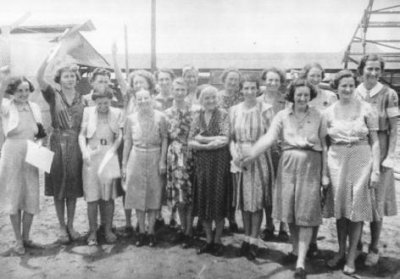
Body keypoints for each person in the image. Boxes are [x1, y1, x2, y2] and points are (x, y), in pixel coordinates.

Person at [242, 78, 328, 279]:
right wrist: (251, 156)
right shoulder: (282, 115)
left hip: (310, 165)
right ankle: (295, 250)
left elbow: (324, 146)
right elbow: (269, 138)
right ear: (292, 96)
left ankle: (300, 263)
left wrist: (324, 175)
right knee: (290, 210)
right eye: (299, 94)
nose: (303, 98)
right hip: (288, 164)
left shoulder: (319, 115)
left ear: (311, 96)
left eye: (306, 95)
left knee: (305, 213)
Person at [324, 70, 380, 275]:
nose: (347, 89)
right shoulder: (328, 112)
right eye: (343, 86)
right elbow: (324, 143)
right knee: (340, 209)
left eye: (350, 85)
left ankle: (351, 256)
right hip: (336, 159)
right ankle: (340, 251)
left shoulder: (367, 109)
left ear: (354, 86)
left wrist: (375, 171)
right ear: (336, 88)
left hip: (361, 157)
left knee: (356, 209)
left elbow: (375, 141)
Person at [355, 54, 399, 266]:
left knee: (376, 202)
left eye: (377, 70)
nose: (373, 73)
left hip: (379, 148)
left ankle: (374, 248)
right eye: (369, 69)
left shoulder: (389, 94)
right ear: (361, 70)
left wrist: (390, 156)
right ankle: (355, 246)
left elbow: (394, 128)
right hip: (357, 148)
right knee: (356, 198)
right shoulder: (354, 92)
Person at [37, 59, 84, 244]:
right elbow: (39, 77)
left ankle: (71, 225)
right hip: (56, 143)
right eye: (66, 76)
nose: (70, 79)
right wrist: (49, 57)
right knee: (58, 187)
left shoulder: (83, 98)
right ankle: (61, 226)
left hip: (76, 144)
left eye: (73, 76)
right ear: (60, 78)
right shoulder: (52, 95)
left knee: (72, 188)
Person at [112, 42, 157, 235]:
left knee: (149, 184)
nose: (138, 85)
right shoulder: (129, 96)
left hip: (147, 145)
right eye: (136, 82)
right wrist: (114, 57)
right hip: (128, 142)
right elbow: (121, 78)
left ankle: (151, 220)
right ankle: (129, 221)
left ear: (148, 85)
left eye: (142, 82)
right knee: (128, 183)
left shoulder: (151, 99)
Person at [0, 76, 46, 255]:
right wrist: (2, 79)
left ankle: (27, 238)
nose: (24, 94)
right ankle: (18, 240)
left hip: (31, 152)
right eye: (19, 90)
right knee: (14, 195)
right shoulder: (6, 106)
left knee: (31, 195)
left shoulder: (34, 108)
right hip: (12, 153)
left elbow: (41, 134)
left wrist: (40, 146)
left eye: (26, 90)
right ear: (12, 91)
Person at [230, 75, 274, 260]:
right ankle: (246, 239)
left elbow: (270, 137)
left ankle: (255, 240)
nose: (249, 92)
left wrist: (252, 156)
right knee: (244, 202)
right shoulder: (234, 110)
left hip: (258, 159)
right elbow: (231, 138)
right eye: (245, 88)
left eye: (252, 88)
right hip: (239, 159)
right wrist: (235, 157)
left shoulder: (266, 109)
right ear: (241, 90)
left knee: (255, 203)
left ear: (258, 89)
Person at [189, 85, 231, 256]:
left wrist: (202, 138)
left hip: (220, 164)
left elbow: (225, 138)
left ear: (217, 99)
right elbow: (190, 141)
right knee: (204, 200)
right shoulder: (197, 116)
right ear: (201, 100)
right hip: (202, 164)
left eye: (213, 97)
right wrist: (208, 143)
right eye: (206, 98)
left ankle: (218, 239)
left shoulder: (223, 114)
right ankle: (208, 240)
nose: (210, 101)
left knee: (218, 201)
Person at [122, 89, 168, 247]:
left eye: (146, 98)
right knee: (138, 196)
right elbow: (127, 141)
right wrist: (124, 165)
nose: (143, 101)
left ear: (152, 98)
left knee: (154, 195)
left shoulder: (160, 117)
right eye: (139, 99)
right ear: (135, 100)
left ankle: (151, 232)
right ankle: (141, 231)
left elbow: (164, 139)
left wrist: (163, 161)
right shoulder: (130, 118)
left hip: (155, 156)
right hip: (137, 156)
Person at [301, 62, 338, 257]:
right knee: (305, 197)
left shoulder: (330, 97)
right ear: (306, 76)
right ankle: (302, 241)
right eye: (312, 76)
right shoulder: (301, 96)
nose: (315, 79)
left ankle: (313, 240)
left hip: (327, 149)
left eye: (318, 76)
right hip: (305, 152)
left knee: (318, 198)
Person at [79, 88, 123, 246]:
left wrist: (113, 149)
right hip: (92, 155)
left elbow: (119, 136)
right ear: (94, 101)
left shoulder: (117, 112)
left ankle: (108, 229)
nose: (103, 106)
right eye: (99, 103)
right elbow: (82, 135)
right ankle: (92, 231)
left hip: (109, 154)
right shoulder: (88, 112)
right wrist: (84, 151)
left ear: (111, 101)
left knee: (108, 196)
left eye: (106, 102)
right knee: (92, 197)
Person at [165, 78, 200, 247]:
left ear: (187, 90)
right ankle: (182, 227)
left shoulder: (195, 110)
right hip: (175, 155)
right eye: (176, 89)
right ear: (171, 90)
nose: (179, 92)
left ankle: (189, 230)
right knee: (179, 195)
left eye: (182, 89)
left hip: (191, 153)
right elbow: (165, 137)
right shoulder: (167, 113)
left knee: (190, 193)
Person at [258, 67, 290, 242]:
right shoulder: (256, 101)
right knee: (266, 188)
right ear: (264, 81)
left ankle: (284, 226)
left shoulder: (286, 102)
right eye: (269, 80)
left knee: (283, 188)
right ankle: (269, 225)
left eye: (276, 80)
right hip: (264, 150)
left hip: (283, 149)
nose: (272, 83)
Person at [217, 67, 243, 234]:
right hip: (219, 144)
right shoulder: (217, 97)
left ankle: (232, 217)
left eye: (236, 80)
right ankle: (215, 217)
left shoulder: (242, 98)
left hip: (236, 143)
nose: (233, 83)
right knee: (219, 182)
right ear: (224, 80)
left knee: (232, 184)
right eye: (230, 79)